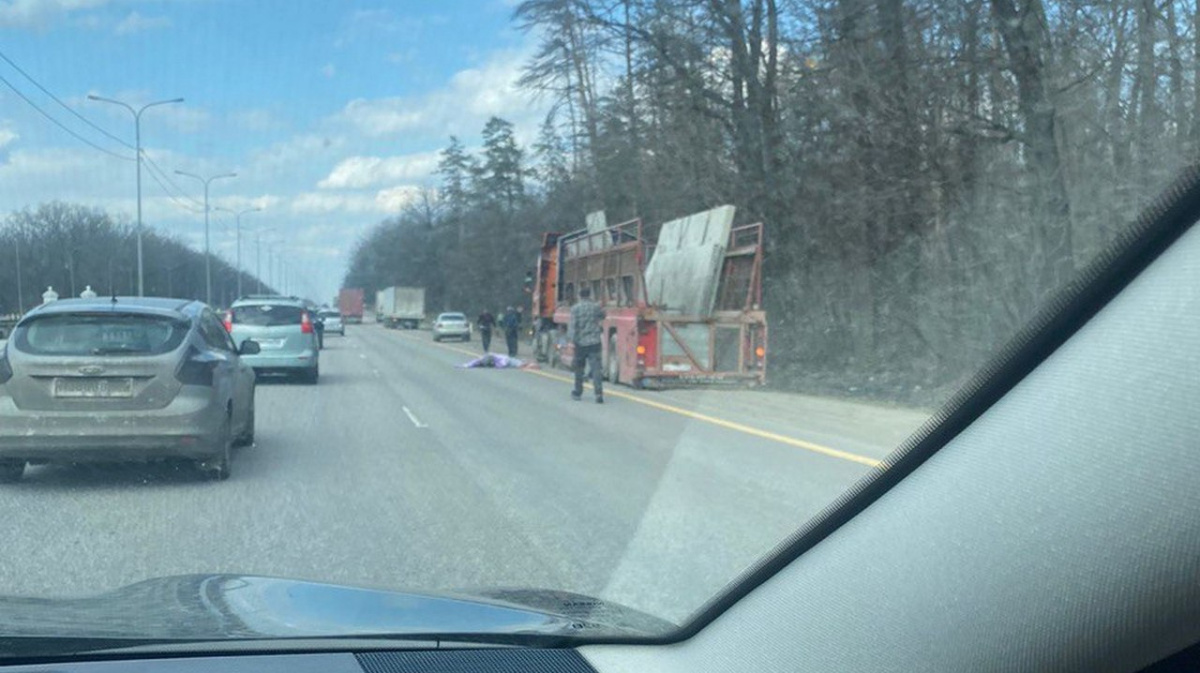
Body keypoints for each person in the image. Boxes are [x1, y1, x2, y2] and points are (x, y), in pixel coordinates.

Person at [568, 286, 606, 404]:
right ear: (590, 295)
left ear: (579, 295)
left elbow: (573, 326)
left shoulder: (575, 309)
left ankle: (578, 392)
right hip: (594, 342)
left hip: (580, 343)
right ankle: (598, 393)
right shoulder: (595, 307)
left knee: (579, 369)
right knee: (596, 369)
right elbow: (603, 315)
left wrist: (572, 341)